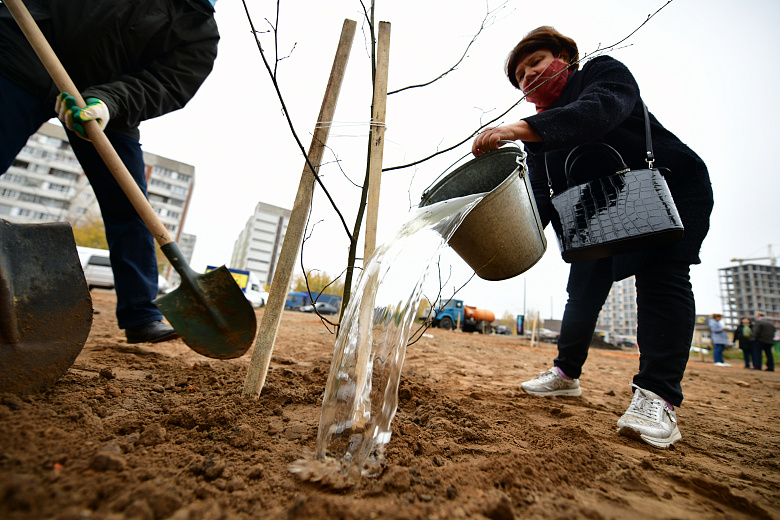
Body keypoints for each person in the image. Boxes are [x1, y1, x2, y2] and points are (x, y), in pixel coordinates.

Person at [472, 27, 713, 449]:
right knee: (581, 292)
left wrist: (517, 129)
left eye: (537, 62)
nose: (529, 75)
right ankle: (566, 375)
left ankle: (657, 397)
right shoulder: (538, 141)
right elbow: (542, 202)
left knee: (661, 278)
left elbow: (598, 112)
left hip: (664, 188)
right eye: (521, 75)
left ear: (565, 56)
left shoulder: (602, 76)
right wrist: (494, 236)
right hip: (598, 210)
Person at [0, 0, 219, 343]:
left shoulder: (199, 34)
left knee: (131, 208)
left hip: (107, 102)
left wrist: (107, 103)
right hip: (25, 55)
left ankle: (141, 313)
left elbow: (167, 84)